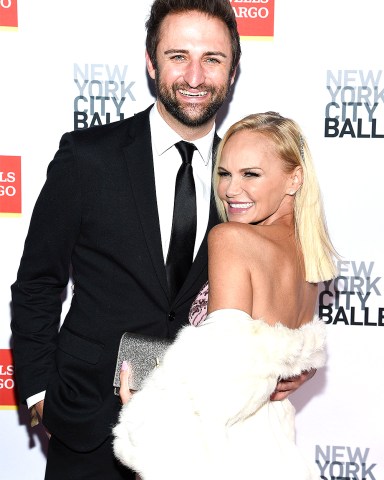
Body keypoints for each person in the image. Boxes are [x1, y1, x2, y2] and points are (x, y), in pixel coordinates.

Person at [10, 1, 313, 478]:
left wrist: (292, 359)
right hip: (88, 427)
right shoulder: (88, 158)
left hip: (205, 444)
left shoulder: (245, 180)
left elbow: (282, 281)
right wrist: (40, 397)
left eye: (212, 58)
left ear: (232, 70)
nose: (194, 76)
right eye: (178, 56)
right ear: (151, 62)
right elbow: (37, 284)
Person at [113, 112, 338, 480]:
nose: (231, 190)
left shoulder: (231, 239)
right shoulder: (308, 256)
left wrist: (145, 413)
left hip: (218, 455)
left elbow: (220, 385)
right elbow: (269, 364)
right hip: (273, 450)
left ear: (294, 178)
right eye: (224, 173)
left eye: (251, 174)